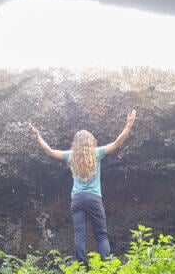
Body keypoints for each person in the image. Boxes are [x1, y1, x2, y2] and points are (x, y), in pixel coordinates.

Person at [30, 110, 137, 265]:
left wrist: (38, 135)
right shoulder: (97, 153)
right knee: (101, 235)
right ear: (91, 141)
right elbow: (117, 142)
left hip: (77, 199)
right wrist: (128, 125)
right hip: (94, 198)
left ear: (76, 144)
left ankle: (82, 268)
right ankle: (107, 268)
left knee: (80, 234)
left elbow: (49, 151)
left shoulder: (71, 155)